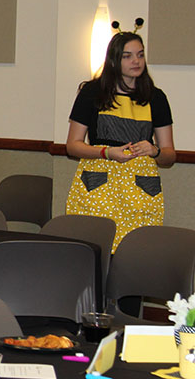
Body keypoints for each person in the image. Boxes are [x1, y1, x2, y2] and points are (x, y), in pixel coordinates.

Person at [66, 30, 175, 251]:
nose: (136, 61)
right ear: (114, 60)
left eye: (140, 55)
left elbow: (169, 156)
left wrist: (154, 151)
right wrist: (106, 152)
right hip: (98, 185)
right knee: (96, 247)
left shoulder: (156, 98)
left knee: (136, 251)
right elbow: (72, 145)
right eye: (128, 56)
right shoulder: (92, 92)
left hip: (140, 189)